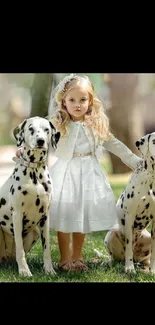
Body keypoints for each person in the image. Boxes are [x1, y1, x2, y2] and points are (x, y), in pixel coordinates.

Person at [16, 74, 142, 273]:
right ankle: (65, 259)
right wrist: (24, 148)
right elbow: (38, 133)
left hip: (89, 174)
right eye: (72, 100)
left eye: (82, 100)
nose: (77, 104)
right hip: (66, 173)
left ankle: (77, 257)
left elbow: (116, 146)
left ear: (90, 101)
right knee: (65, 215)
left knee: (81, 216)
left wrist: (136, 161)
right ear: (63, 102)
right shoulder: (57, 124)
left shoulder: (96, 125)